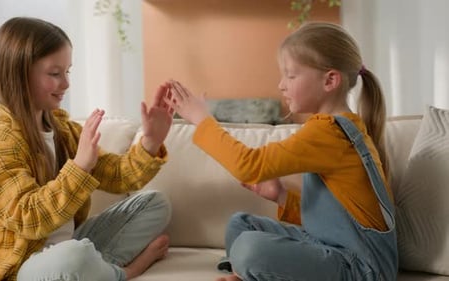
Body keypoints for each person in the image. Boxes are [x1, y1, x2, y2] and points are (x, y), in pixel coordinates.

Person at [165, 22, 398, 281]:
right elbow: (337, 222)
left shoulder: (330, 131)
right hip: (335, 251)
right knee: (240, 225)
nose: (281, 85)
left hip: (363, 270)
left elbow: (248, 165)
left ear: (330, 80)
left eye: (291, 75)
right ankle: (246, 274)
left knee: (248, 248)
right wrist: (282, 197)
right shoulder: (331, 128)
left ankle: (246, 272)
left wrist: (201, 119)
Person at [0, 17, 175, 281]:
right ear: (19, 73)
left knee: (155, 204)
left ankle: (92, 271)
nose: (66, 84)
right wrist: (79, 167)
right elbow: (30, 219)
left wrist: (150, 142)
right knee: (74, 257)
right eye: (55, 74)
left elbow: (120, 177)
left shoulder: (63, 130)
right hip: (19, 269)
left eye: (68, 71)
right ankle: (124, 272)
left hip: (70, 245)